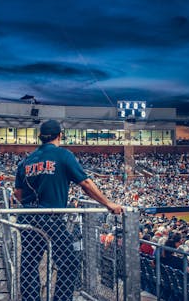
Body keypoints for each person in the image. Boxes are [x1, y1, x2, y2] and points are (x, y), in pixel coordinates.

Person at [14, 119, 123, 301]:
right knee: (68, 263)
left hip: (28, 218)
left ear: (40, 137)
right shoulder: (63, 155)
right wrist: (109, 204)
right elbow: (86, 184)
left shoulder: (25, 161)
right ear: (60, 135)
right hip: (51, 219)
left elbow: (18, 193)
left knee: (29, 264)